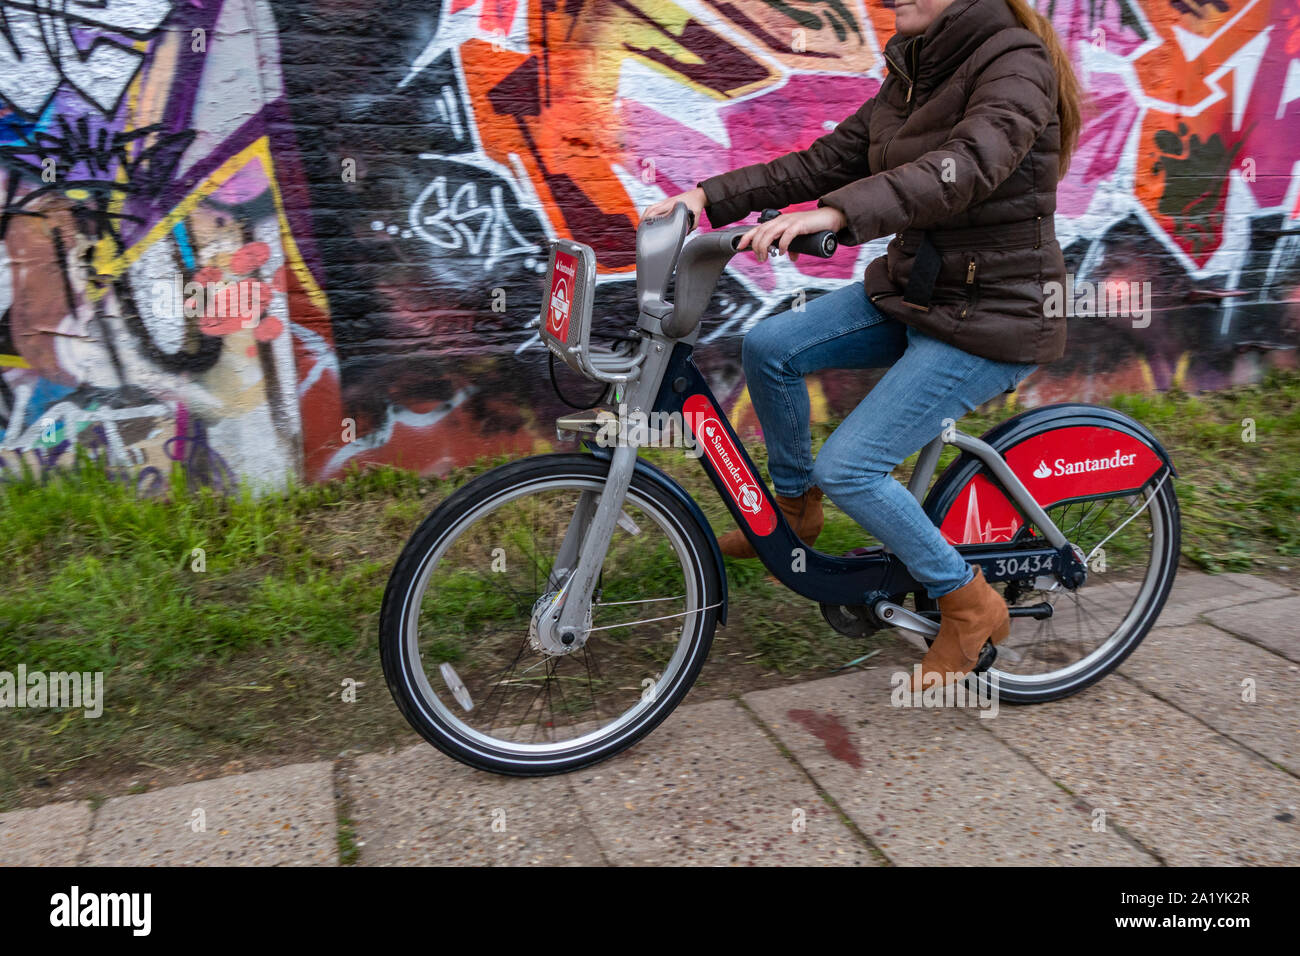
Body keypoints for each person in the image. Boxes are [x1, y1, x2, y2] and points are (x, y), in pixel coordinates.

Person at [641, 0, 1081, 690]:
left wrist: (843, 213)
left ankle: (966, 601)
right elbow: (823, 162)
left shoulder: (1015, 63)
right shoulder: (914, 72)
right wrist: (703, 198)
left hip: (993, 314)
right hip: (916, 292)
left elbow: (967, 164)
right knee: (771, 347)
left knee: (851, 467)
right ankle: (793, 510)